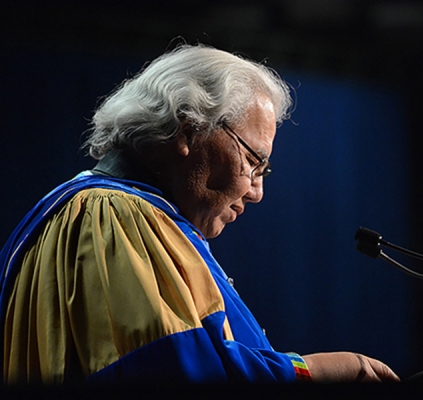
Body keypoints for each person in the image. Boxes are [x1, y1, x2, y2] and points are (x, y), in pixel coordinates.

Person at [0, 44, 399, 385]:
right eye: (253, 161)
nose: (257, 191)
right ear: (188, 130)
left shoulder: (63, 214)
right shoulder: (117, 216)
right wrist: (311, 371)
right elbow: (170, 371)